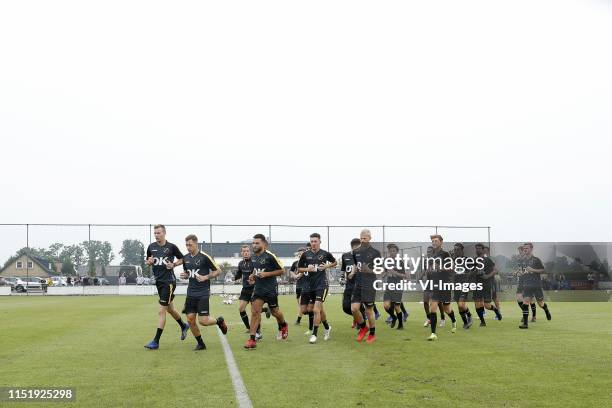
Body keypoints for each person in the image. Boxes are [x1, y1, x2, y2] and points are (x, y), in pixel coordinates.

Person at [144, 224, 189, 350]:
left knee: (161, 311)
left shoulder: (171, 247)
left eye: (158, 233)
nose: (156, 235)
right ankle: (183, 325)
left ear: (164, 233)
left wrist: (174, 264)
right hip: (159, 282)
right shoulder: (151, 247)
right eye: (155, 233)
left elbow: (183, 259)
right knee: (170, 309)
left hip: (169, 282)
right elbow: (147, 260)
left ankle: (156, 341)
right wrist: (149, 262)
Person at [180, 234, 228, 350]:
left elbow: (218, 271)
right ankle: (201, 343)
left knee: (203, 321)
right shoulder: (185, 258)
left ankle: (219, 321)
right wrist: (185, 276)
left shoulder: (204, 256)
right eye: (186, 245)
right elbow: (188, 273)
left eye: (190, 245)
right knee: (190, 320)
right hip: (190, 292)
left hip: (203, 292)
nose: (188, 247)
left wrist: (206, 277)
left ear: (196, 244)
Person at [244, 234, 288, 349]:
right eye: (253, 243)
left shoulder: (270, 256)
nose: (254, 245)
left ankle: (283, 324)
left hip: (270, 289)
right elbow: (256, 270)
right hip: (258, 289)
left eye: (257, 243)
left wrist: (267, 274)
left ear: (264, 244)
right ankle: (252, 339)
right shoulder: (253, 257)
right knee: (254, 312)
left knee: (275, 312)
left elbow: (282, 270)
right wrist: (252, 276)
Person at [351, 229, 381, 344]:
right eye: (361, 238)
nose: (363, 240)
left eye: (365, 238)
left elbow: (380, 269)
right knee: (354, 309)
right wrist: (353, 272)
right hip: (358, 283)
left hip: (369, 283)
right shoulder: (356, 251)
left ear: (370, 238)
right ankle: (364, 327)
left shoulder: (375, 252)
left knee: (369, 310)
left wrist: (369, 270)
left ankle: (372, 334)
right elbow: (355, 264)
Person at [426, 235, 457, 340]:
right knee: (433, 308)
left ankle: (453, 321)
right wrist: (430, 271)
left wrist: (441, 268)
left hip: (445, 284)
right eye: (432, 241)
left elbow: (452, 267)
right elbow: (430, 270)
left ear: (441, 242)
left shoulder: (446, 254)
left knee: (446, 308)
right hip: (435, 285)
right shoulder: (432, 256)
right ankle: (433, 334)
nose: (434, 242)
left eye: (436, 241)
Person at [519, 243, 551, 329]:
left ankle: (546, 310)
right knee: (526, 302)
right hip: (527, 285)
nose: (525, 250)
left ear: (531, 249)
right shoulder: (522, 260)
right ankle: (525, 324)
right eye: (524, 248)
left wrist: (533, 270)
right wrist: (521, 273)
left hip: (536, 285)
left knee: (540, 304)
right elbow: (523, 271)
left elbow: (543, 270)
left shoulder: (536, 260)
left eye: (527, 248)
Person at [234, 245, 261, 339]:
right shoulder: (241, 263)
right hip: (245, 289)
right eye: (244, 251)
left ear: (250, 252)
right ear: (241, 253)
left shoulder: (254, 261)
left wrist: (254, 278)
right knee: (241, 308)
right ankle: (249, 328)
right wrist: (235, 278)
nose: (245, 253)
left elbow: (259, 273)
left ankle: (258, 332)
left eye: (247, 251)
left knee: (255, 311)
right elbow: (238, 274)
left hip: (255, 289)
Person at [382, 243, 406, 330]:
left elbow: (405, 276)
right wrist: (384, 274)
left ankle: (400, 325)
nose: (392, 252)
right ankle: (393, 317)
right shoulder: (386, 261)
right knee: (386, 306)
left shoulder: (400, 262)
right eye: (390, 251)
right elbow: (384, 273)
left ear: (397, 252)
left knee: (397, 307)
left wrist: (395, 273)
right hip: (389, 286)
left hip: (398, 286)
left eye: (394, 251)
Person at [341, 238, 363, 327]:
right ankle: (359, 317)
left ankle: (361, 322)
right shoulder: (345, 256)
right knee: (346, 308)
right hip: (349, 285)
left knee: (356, 307)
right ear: (353, 247)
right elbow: (343, 269)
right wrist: (342, 279)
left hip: (360, 286)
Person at [452, 243, 474, 329]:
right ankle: (465, 323)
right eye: (455, 250)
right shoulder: (453, 260)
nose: (456, 251)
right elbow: (451, 271)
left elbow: (472, 271)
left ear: (462, 250)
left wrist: (468, 274)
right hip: (456, 285)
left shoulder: (467, 260)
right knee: (459, 306)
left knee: (461, 305)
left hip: (464, 284)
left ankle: (469, 315)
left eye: (457, 249)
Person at [290, 247, 307, 325]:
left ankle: (298, 320)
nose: (300, 255)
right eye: (299, 253)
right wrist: (294, 275)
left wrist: (299, 274)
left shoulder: (307, 262)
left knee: (301, 304)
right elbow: (291, 271)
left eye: (302, 253)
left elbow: (306, 270)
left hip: (306, 285)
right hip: (298, 285)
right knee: (299, 304)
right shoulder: (295, 263)